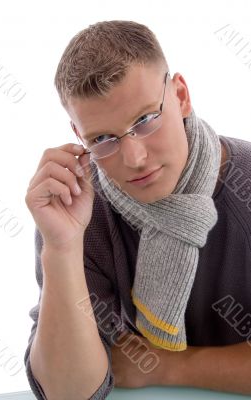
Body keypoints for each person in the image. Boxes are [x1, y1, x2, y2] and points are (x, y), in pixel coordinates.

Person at [24, 20, 251, 400]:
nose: (135, 158)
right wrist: (61, 248)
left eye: (145, 120)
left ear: (180, 96)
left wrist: (165, 366)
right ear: (80, 138)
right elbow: (67, 393)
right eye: (103, 139)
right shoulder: (77, 210)